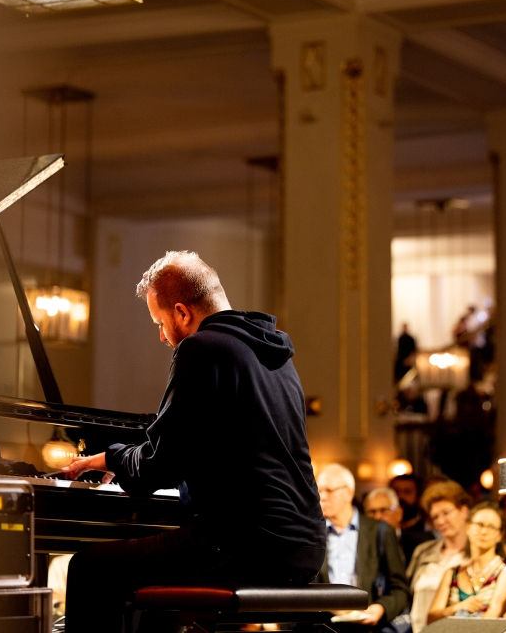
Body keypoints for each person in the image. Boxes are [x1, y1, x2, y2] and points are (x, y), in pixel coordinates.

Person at [61, 251, 326, 633]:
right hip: (304, 546)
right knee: (154, 581)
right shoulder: (277, 357)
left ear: (183, 313)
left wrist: (111, 459)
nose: (161, 336)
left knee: (88, 567)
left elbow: (161, 465)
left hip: (246, 546)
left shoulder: (203, 348)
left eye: (160, 322)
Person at [317, 464, 410, 628]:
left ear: (348, 493)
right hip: (328, 626)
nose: (322, 497)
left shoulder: (379, 531)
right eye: (319, 491)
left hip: (370, 627)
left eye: (329, 491)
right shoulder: (314, 535)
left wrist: (380, 608)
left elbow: (400, 589)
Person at [427, 502, 506, 622]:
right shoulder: (452, 572)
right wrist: (458, 607)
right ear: (467, 527)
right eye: (479, 525)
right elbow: (431, 618)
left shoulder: (504, 572)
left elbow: (491, 619)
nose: (484, 532)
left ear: (500, 535)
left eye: (491, 527)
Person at [406, 480, 472, 633]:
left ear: (464, 511)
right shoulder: (423, 551)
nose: (441, 521)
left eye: (446, 513)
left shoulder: (476, 554)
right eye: (435, 517)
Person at [364, 487, 433, 566]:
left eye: (383, 510)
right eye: (371, 512)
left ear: (399, 513)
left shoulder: (422, 542)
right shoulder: (360, 545)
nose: (377, 517)